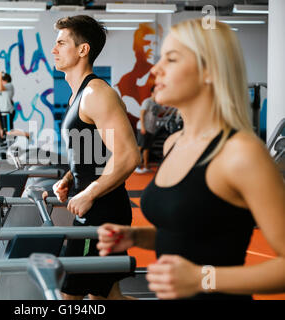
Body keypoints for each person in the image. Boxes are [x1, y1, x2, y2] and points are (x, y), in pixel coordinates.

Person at [96, 18, 285, 300]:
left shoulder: (241, 154)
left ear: (209, 70)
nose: (156, 69)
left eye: (171, 59)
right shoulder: (174, 143)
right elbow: (190, 236)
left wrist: (203, 278)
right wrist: (136, 237)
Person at [50, 15, 141, 300]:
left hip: (102, 211)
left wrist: (89, 191)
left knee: (70, 296)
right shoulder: (77, 94)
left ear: (82, 49)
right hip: (97, 206)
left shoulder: (97, 93)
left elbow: (128, 155)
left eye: (61, 43)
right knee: (107, 296)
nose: (54, 50)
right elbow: (92, 150)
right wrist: (68, 179)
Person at [135, 86, 165, 173]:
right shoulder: (147, 101)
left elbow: (165, 111)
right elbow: (142, 113)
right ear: (152, 93)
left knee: (147, 148)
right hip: (143, 128)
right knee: (140, 147)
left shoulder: (157, 105)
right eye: (157, 92)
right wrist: (143, 127)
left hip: (151, 129)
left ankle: (145, 166)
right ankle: (135, 167)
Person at [0, 71, 15, 139]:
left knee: (9, 131)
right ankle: (9, 145)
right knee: (6, 131)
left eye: (1, 80)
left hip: (8, 112)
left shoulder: (9, 85)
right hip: (4, 112)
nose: (0, 82)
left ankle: (12, 146)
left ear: (5, 80)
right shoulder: (3, 87)